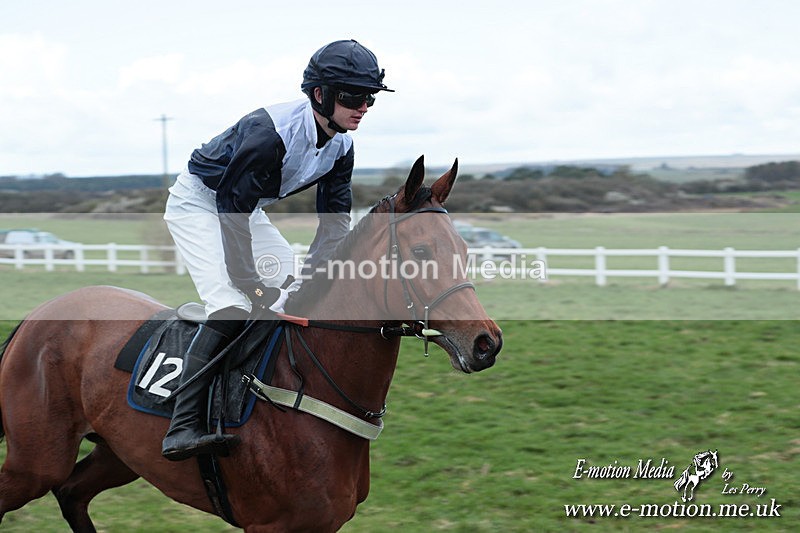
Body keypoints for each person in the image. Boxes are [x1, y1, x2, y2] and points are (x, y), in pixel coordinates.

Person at [161, 39, 393, 461]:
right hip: (200, 203)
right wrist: (252, 286)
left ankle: (264, 386)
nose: (363, 107)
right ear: (320, 94)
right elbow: (230, 210)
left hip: (244, 209)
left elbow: (333, 224)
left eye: (370, 99)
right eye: (354, 96)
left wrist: (317, 276)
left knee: (294, 290)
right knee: (232, 304)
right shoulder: (270, 134)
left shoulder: (342, 145)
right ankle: (182, 425)